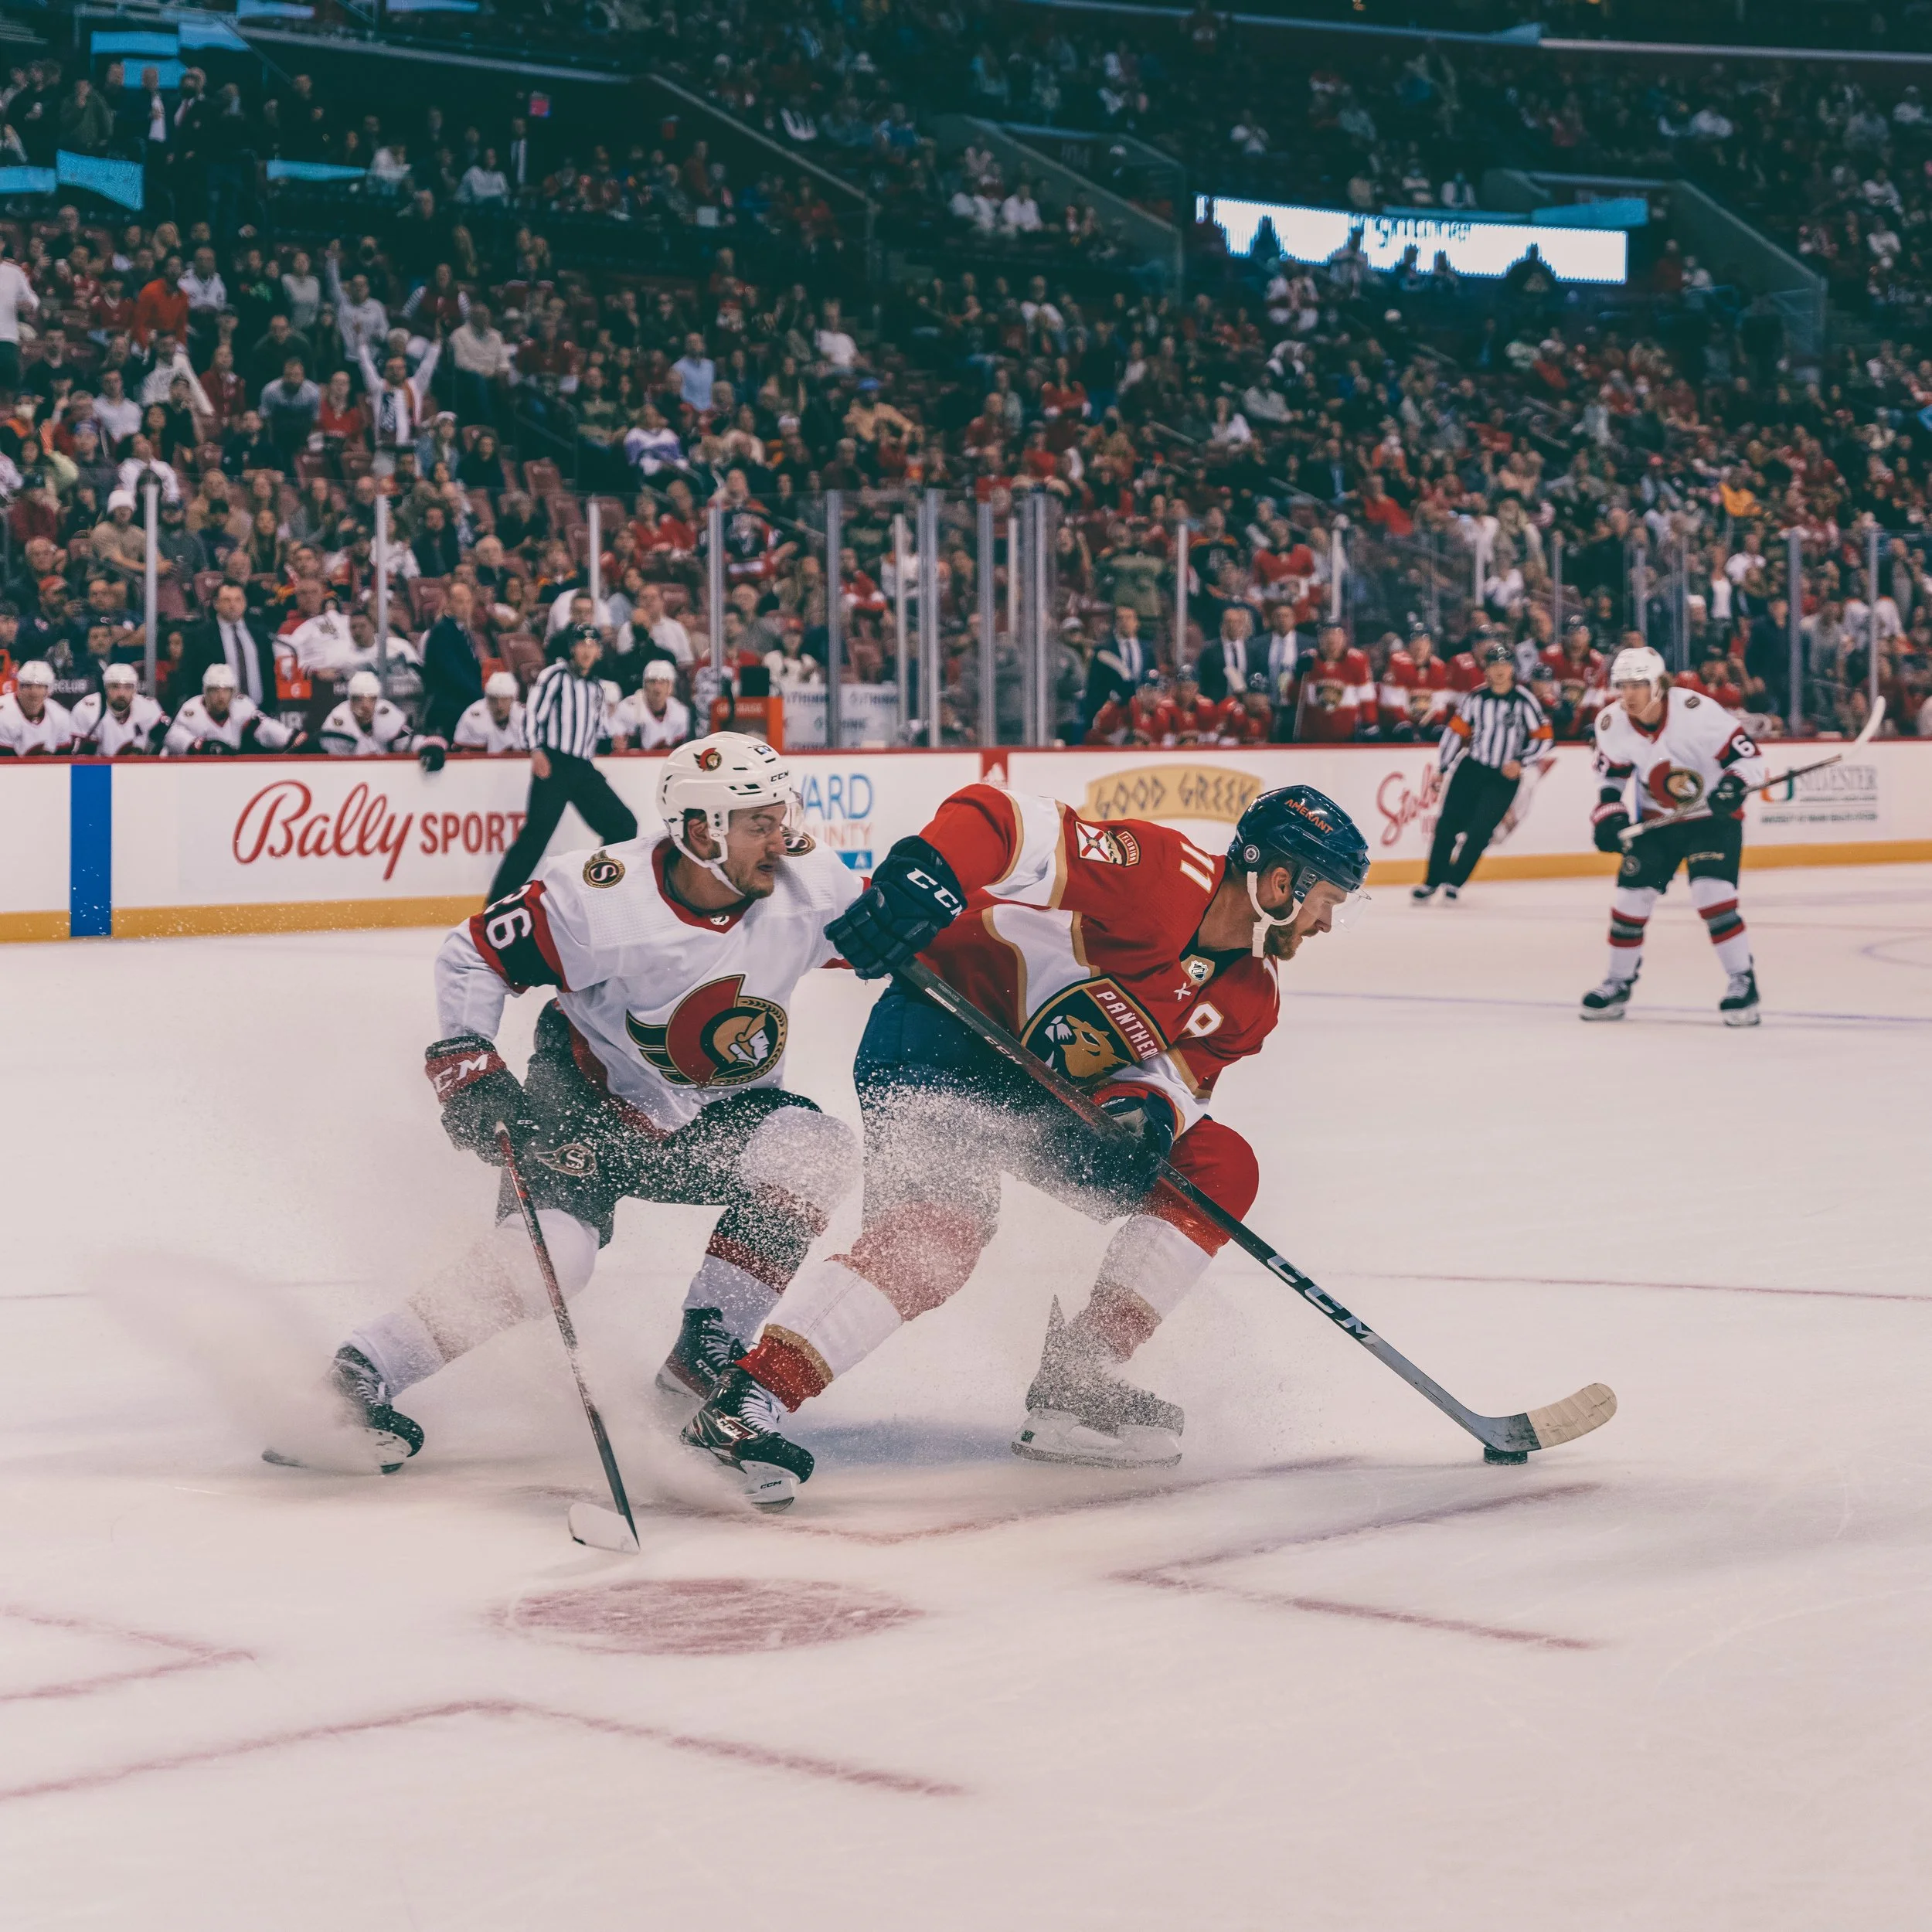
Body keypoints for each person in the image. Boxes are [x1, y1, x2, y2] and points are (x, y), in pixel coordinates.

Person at [679, 781, 1370, 1506]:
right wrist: (928, 870)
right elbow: (1005, 818)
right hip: (940, 1036)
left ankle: (1079, 1378)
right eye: (1328, 899)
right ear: (1282, 882)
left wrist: (1148, 1113)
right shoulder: (1162, 875)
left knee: (1218, 1168)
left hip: (1045, 1097)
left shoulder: (1251, 998)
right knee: (939, 1235)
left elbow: (1174, 1080)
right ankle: (747, 1400)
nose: (1327, 922)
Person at [268, 736, 863, 1477]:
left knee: (815, 1149)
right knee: (552, 1259)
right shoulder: (600, 898)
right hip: (587, 1108)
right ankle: (356, 1377)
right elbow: (476, 954)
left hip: (716, 1117)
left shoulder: (812, 883)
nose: (782, 839)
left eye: (782, 817)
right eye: (759, 825)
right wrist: (467, 1064)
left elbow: (899, 943)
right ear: (702, 832)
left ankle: (701, 1361)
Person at [1582, 645, 1768, 1026]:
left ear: (1658, 685)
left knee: (1712, 894)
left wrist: (1732, 785)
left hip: (1713, 819)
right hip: (1659, 822)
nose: (1629, 694)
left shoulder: (1696, 712)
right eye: (1623, 686)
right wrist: (1609, 815)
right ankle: (1617, 982)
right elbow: (1611, 776)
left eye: (1638, 685)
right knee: (1630, 898)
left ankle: (1742, 981)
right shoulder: (1611, 723)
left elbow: (1748, 758)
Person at [486, 622, 639, 903]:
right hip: (554, 764)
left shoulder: (597, 688)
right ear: (572, 649)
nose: (586, 651)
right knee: (535, 837)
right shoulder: (554, 677)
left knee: (623, 824)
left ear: (599, 651)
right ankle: (495, 904)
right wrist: (536, 751)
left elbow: (596, 733)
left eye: (592, 645)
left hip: (582, 768)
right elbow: (533, 716)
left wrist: (612, 742)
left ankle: (598, 894)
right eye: (581, 645)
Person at [1414, 641, 1552, 903]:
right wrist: (1443, 767)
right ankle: (1431, 882)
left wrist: (1521, 761)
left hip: (1503, 778)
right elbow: (1455, 734)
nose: (1500, 670)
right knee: (1446, 826)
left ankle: (1454, 882)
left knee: (1480, 831)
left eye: (1505, 665)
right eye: (1494, 665)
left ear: (1512, 669)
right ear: (1485, 670)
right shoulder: (1475, 698)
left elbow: (1544, 738)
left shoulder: (1524, 701)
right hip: (1471, 769)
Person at [162, 661, 301, 755]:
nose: (221, 696)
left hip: (229, 770)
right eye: (214, 690)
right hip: (192, 772)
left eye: (226, 690)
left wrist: (291, 738)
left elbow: (266, 728)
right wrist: (200, 746)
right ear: (206, 692)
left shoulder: (242, 706)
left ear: (233, 692)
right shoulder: (191, 710)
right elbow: (172, 737)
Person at [69, 662, 167, 755]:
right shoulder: (87, 709)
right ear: (106, 688)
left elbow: (166, 743)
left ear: (135, 690)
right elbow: (81, 758)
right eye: (115, 687)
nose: (121, 693)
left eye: (128, 687)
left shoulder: (148, 707)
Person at [320, 668, 413, 756]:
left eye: (371, 699)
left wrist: (420, 745)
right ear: (350, 699)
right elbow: (337, 763)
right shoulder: (339, 720)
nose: (365, 705)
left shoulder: (388, 713)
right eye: (358, 699)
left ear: (377, 700)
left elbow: (408, 748)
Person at [611, 660, 692, 750]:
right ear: (645, 685)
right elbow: (618, 745)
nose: (657, 688)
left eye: (662, 682)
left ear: (670, 686)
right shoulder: (627, 708)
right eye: (652, 682)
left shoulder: (680, 711)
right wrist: (618, 743)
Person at [0, 659, 73, 754]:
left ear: (48, 690)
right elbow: (5, 760)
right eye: (28, 686)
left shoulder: (60, 715)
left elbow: (64, 758)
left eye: (39, 686)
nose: (33, 692)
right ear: (19, 687)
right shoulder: (3, 714)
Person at [453, 671, 526, 753]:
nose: (499, 705)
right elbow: (463, 754)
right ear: (487, 699)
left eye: (504, 699)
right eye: (493, 699)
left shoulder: (523, 715)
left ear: (513, 699)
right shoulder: (473, 715)